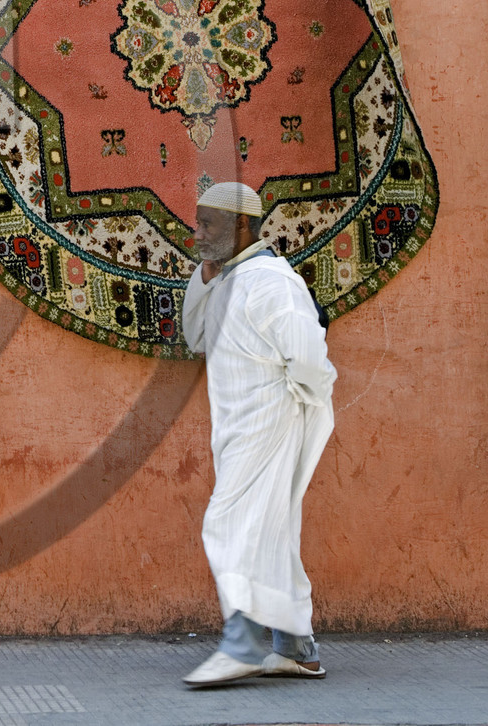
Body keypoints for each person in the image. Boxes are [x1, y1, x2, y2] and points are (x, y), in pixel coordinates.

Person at [179, 181, 337, 688]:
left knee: (231, 526)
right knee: (270, 530)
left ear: (242, 226)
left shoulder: (271, 281)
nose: (197, 232)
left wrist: (294, 407)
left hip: (270, 422)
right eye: (198, 222)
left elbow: (309, 357)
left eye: (209, 224)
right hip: (236, 426)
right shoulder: (229, 278)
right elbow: (195, 336)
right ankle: (296, 649)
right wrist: (205, 275)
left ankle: (243, 644)